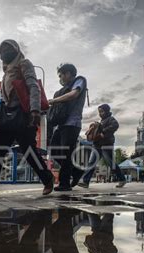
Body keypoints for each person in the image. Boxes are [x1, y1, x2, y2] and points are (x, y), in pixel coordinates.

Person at [0, 40, 54, 197]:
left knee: (28, 150)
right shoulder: (7, 70)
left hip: (24, 114)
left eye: (8, 48)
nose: (4, 52)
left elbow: (33, 87)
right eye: (1, 50)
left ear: (16, 50)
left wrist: (35, 110)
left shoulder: (24, 63)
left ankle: (47, 178)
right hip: (7, 114)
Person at [48, 63, 88, 191]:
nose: (60, 78)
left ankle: (64, 183)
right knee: (54, 150)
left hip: (72, 123)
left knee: (66, 152)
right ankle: (76, 172)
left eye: (61, 75)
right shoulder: (63, 89)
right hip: (61, 124)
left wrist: (54, 100)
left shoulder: (79, 81)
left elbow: (74, 95)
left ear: (69, 73)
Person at [78, 104, 126, 189]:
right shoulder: (102, 121)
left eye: (102, 111)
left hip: (106, 145)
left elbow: (115, 125)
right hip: (97, 145)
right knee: (91, 163)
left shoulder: (111, 119)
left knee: (111, 163)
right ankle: (85, 182)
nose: (100, 113)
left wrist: (103, 132)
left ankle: (122, 179)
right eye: (99, 112)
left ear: (107, 111)